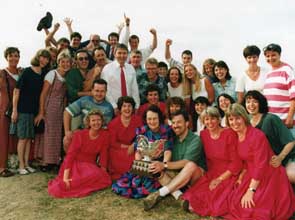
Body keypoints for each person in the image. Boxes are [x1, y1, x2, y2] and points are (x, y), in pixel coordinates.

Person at [224, 103, 295, 220]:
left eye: (238, 118)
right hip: (251, 173)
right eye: (231, 119)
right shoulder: (235, 135)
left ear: (244, 118)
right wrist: (242, 175)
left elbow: (261, 165)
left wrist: (251, 190)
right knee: (236, 203)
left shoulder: (257, 136)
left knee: (255, 208)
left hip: (268, 173)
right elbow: (244, 160)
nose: (234, 122)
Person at [182, 107, 241, 217]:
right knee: (200, 192)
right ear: (203, 121)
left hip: (229, 173)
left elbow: (236, 163)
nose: (210, 122)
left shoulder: (229, 134)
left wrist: (219, 179)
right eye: (206, 119)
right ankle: (193, 204)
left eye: (213, 119)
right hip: (212, 171)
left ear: (219, 119)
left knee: (218, 200)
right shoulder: (203, 135)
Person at [143, 110, 206, 211]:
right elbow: (164, 157)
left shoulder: (195, 139)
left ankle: (160, 193)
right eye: (173, 122)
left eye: (179, 122)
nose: (175, 125)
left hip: (194, 178)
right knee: (157, 168)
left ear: (187, 123)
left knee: (190, 165)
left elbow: (185, 162)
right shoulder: (171, 138)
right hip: (178, 177)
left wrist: (164, 165)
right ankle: (180, 197)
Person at [112, 105, 173, 199]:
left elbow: (168, 150)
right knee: (127, 184)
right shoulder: (142, 130)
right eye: (149, 119)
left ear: (159, 118)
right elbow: (138, 151)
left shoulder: (166, 130)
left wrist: (163, 165)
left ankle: (153, 188)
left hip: (158, 164)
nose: (152, 122)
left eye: (154, 119)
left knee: (150, 183)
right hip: (144, 164)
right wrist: (140, 164)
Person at [48, 110, 111, 198]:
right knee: (66, 185)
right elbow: (70, 156)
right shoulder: (80, 135)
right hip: (74, 164)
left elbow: (104, 155)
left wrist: (103, 171)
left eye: (99, 120)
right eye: (93, 120)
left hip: (90, 165)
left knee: (104, 178)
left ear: (102, 121)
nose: (96, 122)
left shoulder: (105, 135)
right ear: (88, 122)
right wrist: (65, 177)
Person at [11, 49, 51, 175]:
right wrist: (14, 110)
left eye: (47, 58)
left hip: (34, 111)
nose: (44, 60)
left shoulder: (43, 73)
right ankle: (21, 165)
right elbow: (16, 91)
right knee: (23, 138)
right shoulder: (27, 71)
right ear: (37, 57)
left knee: (29, 138)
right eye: (42, 57)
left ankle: (27, 164)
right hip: (23, 109)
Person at [244, 90, 295, 183]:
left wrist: (280, 157)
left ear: (261, 103)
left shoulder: (271, 118)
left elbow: (291, 142)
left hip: (284, 158)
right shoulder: (246, 123)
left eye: (255, 101)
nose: (251, 104)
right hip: (261, 163)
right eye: (248, 101)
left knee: (291, 175)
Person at [34, 50, 72, 171]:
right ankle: (45, 161)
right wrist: (41, 112)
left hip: (61, 108)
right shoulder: (52, 74)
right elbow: (43, 94)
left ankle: (54, 160)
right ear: (58, 62)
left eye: (67, 62)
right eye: (62, 62)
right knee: (48, 133)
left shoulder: (67, 76)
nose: (65, 64)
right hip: (49, 106)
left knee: (57, 133)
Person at [63, 79, 114, 151]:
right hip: (82, 130)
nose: (99, 94)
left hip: (97, 134)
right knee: (67, 139)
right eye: (97, 91)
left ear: (106, 92)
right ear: (92, 90)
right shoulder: (85, 100)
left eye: (102, 91)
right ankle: (70, 161)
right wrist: (67, 131)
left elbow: (104, 129)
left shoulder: (108, 108)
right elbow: (67, 112)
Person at [262, 43, 295, 137]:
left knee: (290, 150)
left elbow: (294, 96)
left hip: (286, 122)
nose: (270, 58)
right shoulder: (268, 73)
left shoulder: (287, 70)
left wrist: (290, 117)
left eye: (273, 55)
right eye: (268, 56)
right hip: (272, 122)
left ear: (279, 55)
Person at [108, 96, 142, 180]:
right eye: (124, 106)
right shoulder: (113, 123)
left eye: (129, 106)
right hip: (119, 149)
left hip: (135, 147)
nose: (127, 109)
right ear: (120, 108)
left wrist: (134, 145)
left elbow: (142, 136)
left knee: (138, 156)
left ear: (133, 108)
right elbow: (113, 142)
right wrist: (128, 147)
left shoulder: (138, 120)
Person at [0, 47, 22, 177]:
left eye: (16, 56)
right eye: (11, 56)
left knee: (14, 137)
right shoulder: (2, 73)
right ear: (6, 57)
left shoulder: (20, 73)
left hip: (18, 109)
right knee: (3, 137)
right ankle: (2, 167)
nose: (14, 58)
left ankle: (12, 164)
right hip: (4, 109)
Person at [101, 43, 140, 112]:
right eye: (119, 53)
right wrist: (114, 106)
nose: (122, 56)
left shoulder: (131, 68)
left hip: (128, 107)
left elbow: (134, 89)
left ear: (127, 54)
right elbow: (106, 90)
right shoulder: (107, 68)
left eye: (124, 53)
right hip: (112, 107)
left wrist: (136, 105)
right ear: (114, 53)